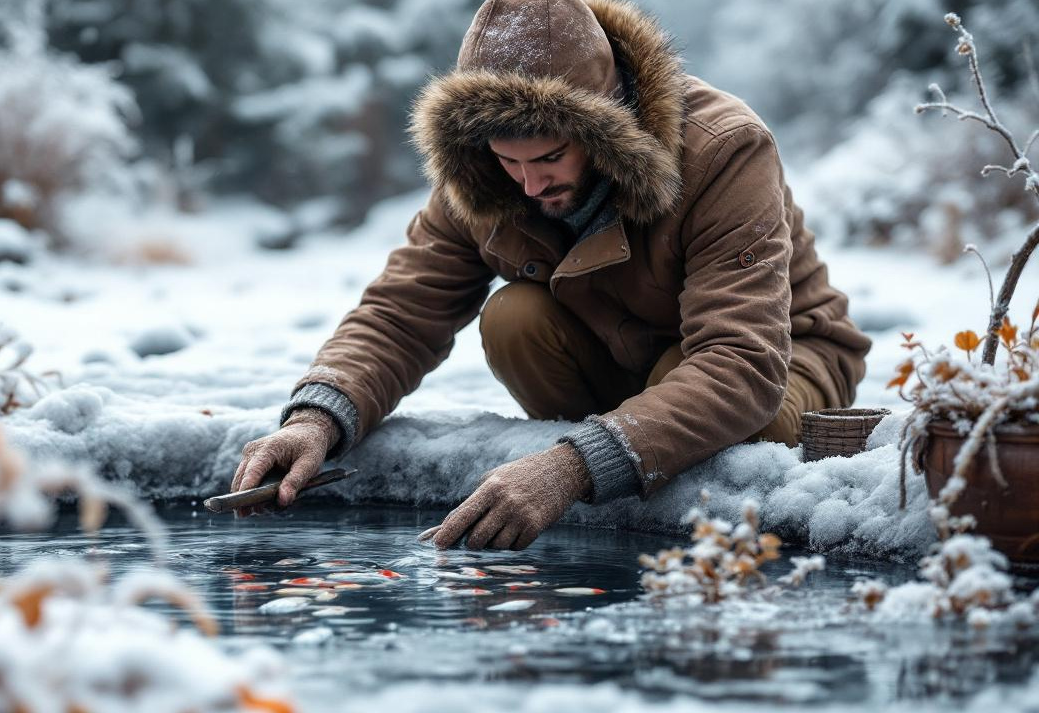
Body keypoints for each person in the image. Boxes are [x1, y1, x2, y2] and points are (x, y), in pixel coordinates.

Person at [229, 0, 871, 550]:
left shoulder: (724, 148)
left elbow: (739, 363)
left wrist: (568, 469)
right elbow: (401, 312)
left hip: (778, 362)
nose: (531, 184)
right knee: (514, 319)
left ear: (607, 124)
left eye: (551, 156)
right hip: (627, 374)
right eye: (508, 161)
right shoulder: (481, 179)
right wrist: (316, 419)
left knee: (691, 379)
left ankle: (614, 459)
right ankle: (619, 461)